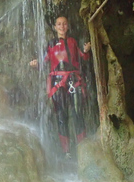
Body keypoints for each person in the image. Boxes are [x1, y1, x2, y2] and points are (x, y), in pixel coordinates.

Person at [30, 16, 91, 157]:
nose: (62, 26)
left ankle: (82, 147)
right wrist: (35, 63)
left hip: (74, 79)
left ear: (67, 26)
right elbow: (43, 61)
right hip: (57, 82)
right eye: (59, 24)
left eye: (64, 24)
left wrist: (87, 51)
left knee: (78, 112)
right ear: (55, 27)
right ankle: (66, 152)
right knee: (62, 115)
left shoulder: (73, 41)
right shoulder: (51, 44)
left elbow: (84, 57)